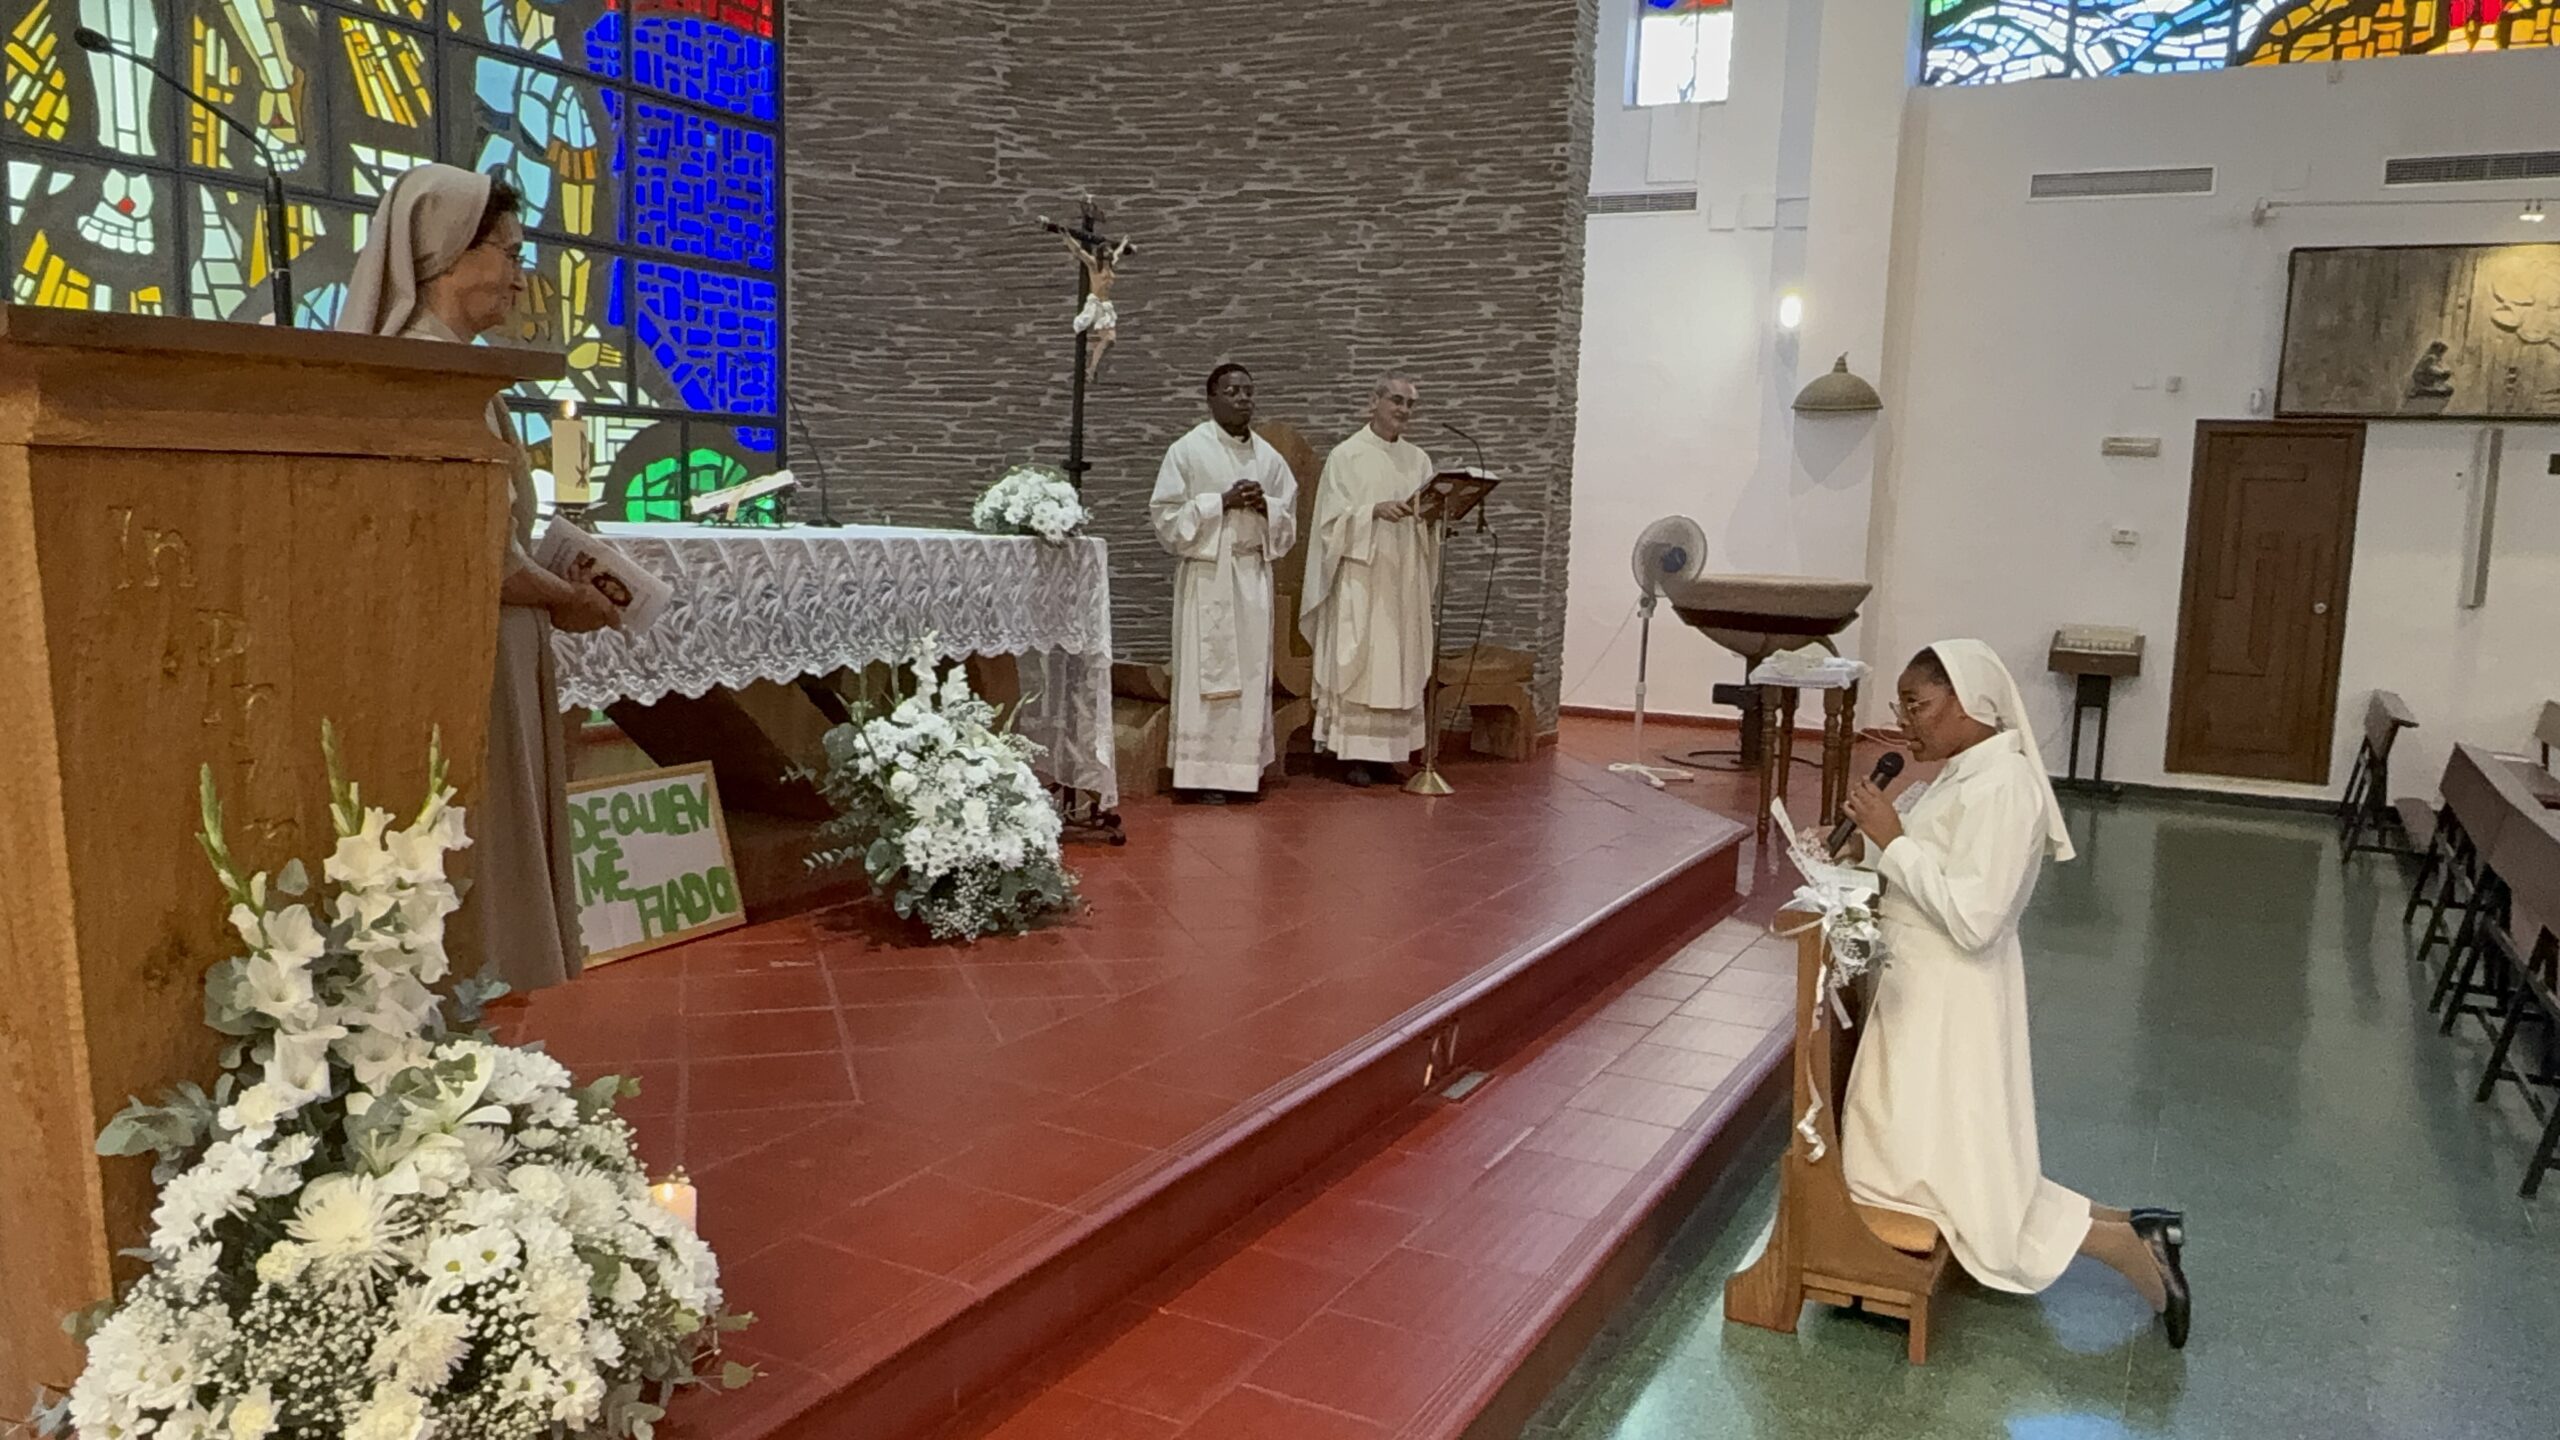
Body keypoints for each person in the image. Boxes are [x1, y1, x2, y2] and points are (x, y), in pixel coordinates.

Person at [1839, 640, 2192, 1347]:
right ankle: (2131, 1229)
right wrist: (1864, 847)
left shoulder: (2003, 786)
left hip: (1951, 998)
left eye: (1918, 705)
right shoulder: (1962, 772)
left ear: (1969, 701)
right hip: (1921, 989)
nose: (1905, 722)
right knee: (1953, 1161)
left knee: (1951, 1174)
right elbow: (1931, 862)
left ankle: (2127, 1248)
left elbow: (1975, 918)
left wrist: (1894, 842)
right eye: (1901, 706)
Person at [339, 163, 618, 993]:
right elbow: (470, 555)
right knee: (478, 839)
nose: (521, 275)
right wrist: (564, 596)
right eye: (508, 251)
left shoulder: (452, 369)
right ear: (443, 255)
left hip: (488, 640)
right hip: (464, 653)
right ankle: (475, 992)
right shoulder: (426, 378)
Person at [1149, 363, 1299, 802]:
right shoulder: (1187, 450)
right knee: (1206, 676)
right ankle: (1200, 776)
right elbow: (1166, 518)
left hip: (1251, 577)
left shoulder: (1269, 458)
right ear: (1211, 398)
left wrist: (1266, 506)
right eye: (1232, 391)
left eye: (1248, 391)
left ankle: (1242, 773)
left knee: (1250, 675)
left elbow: (1289, 519)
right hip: (1207, 576)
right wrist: (1221, 502)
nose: (1243, 398)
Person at [1300, 376, 1439, 787]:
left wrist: (1434, 516)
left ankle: (1388, 754)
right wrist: (1372, 511)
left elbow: (1430, 514)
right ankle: (1354, 754)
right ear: (1373, 402)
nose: (1403, 410)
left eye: (1410, 404)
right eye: (1396, 400)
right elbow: (1329, 523)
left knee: (1399, 659)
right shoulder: (1346, 456)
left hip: (1404, 575)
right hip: (1362, 574)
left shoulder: (1419, 461)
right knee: (1362, 657)